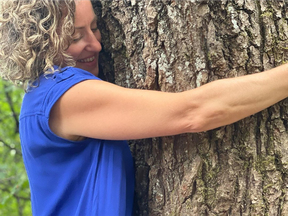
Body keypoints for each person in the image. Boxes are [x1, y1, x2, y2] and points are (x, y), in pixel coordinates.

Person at [0, 0, 288, 215]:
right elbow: (194, 112)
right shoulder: (62, 94)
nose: (96, 45)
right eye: (75, 37)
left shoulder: (39, 97)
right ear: (41, 43)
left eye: (95, 27)